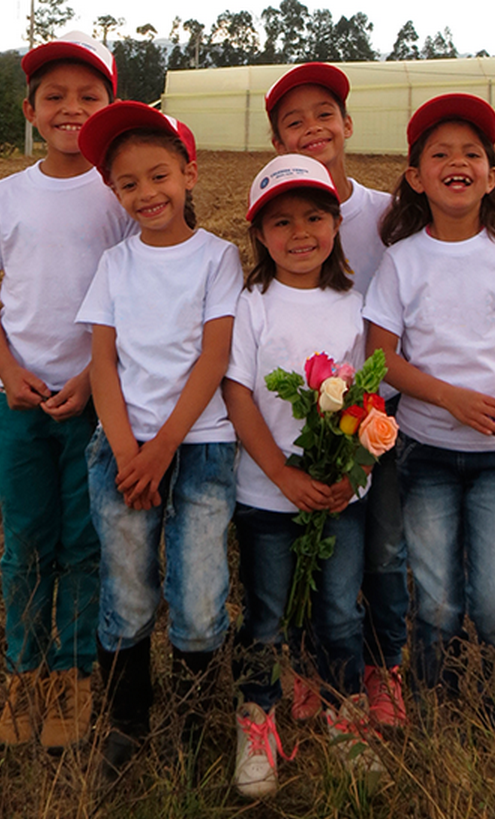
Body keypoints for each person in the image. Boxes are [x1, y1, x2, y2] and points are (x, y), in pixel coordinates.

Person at [0, 31, 134, 751]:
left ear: (109, 108)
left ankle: (73, 674)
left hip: (97, 402)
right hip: (19, 404)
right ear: (29, 109)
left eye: (88, 98)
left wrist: (95, 383)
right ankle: (23, 673)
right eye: (54, 97)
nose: (71, 109)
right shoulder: (5, 196)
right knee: (25, 541)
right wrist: (11, 371)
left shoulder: (121, 191)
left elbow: (137, 296)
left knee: (84, 542)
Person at [363, 93, 495, 728]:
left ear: (491, 175)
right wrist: (449, 399)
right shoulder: (401, 261)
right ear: (416, 178)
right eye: (439, 154)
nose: (457, 163)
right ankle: (433, 706)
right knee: (439, 599)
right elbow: (381, 359)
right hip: (426, 454)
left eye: (471, 154)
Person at [74, 101, 242, 781]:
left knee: (200, 599)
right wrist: (124, 450)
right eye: (128, 184)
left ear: (189, 173)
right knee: (129, 593)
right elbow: (102, 362)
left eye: (159, 176)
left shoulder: (218, 257)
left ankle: (198, 722)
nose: (146, 194)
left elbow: (213, 357)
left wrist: (163, 446)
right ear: (114, 193)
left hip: (199, 448)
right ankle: (127, 721)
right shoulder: (115, 265)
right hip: (122, 451)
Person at [223, 154, 386, 797]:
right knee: (266, 614)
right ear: (260, 236)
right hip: (266, 496)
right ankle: (257, 720)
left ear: (337, 224)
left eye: (315, 217)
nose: (300, 233)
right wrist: (281, 476)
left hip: (341, 497)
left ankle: (347, 714)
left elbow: (370, 401)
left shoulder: (353, 303)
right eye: (281, 222)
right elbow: (238, 396)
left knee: (340, 612)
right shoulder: (252, 303)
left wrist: (355, 469)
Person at [264, 62, 407, 730]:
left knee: (378, 549)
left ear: (348, 125)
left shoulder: (385, 213)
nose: (311, 128)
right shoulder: (279, 212)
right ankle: (305, 667)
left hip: (382, 407)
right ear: (277, 141)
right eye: (293, 120)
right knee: (306, 546)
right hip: (304, 418)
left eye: (324, 113)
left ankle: (380, 670)